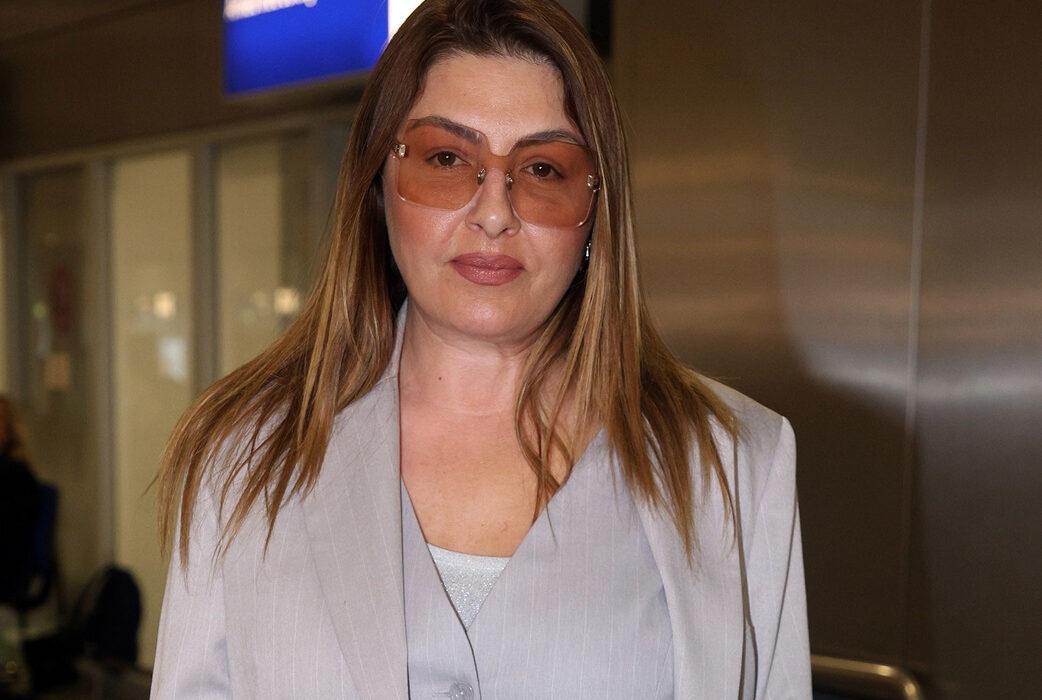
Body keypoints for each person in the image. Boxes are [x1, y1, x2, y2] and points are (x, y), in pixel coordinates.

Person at [152, 0, 811, 697]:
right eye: (446, 159)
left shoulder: (731, 462)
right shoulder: (246, 453)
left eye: (544, 169)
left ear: (596, 208)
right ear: (377, 186)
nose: (495, 214)